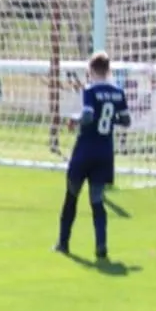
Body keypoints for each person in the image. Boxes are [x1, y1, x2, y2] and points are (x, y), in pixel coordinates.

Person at [56, 52, 129, 261]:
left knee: (72, 195)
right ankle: (101, 244)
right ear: (108, 70)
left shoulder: (90, 91)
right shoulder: (118, 93)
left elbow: (87, 116)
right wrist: (110, 118)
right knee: (97, 200)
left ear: (91, 71)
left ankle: (63, 243)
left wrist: (75, 120)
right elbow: (126, 121)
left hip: (85, 150)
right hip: (105, 152)